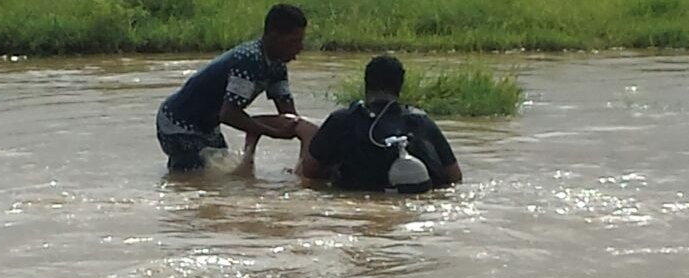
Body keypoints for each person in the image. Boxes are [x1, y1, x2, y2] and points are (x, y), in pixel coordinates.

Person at [156, 4, 307, 172]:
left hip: (207, 127)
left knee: (217, 175)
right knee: (198, 175)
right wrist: (272, 132)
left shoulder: (277, 65)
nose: (300, 48)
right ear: (274, 35)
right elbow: (229, 114)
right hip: (178, 123)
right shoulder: (249, 60)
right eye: (294, 41)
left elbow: (288, 114)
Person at [298, 55, 463, 192]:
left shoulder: (341, 121)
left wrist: (305, 136)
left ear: (366, 84)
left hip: (357, 199)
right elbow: (454, 177)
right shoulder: (422, 122)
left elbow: (309, 172)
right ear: (400, 86)